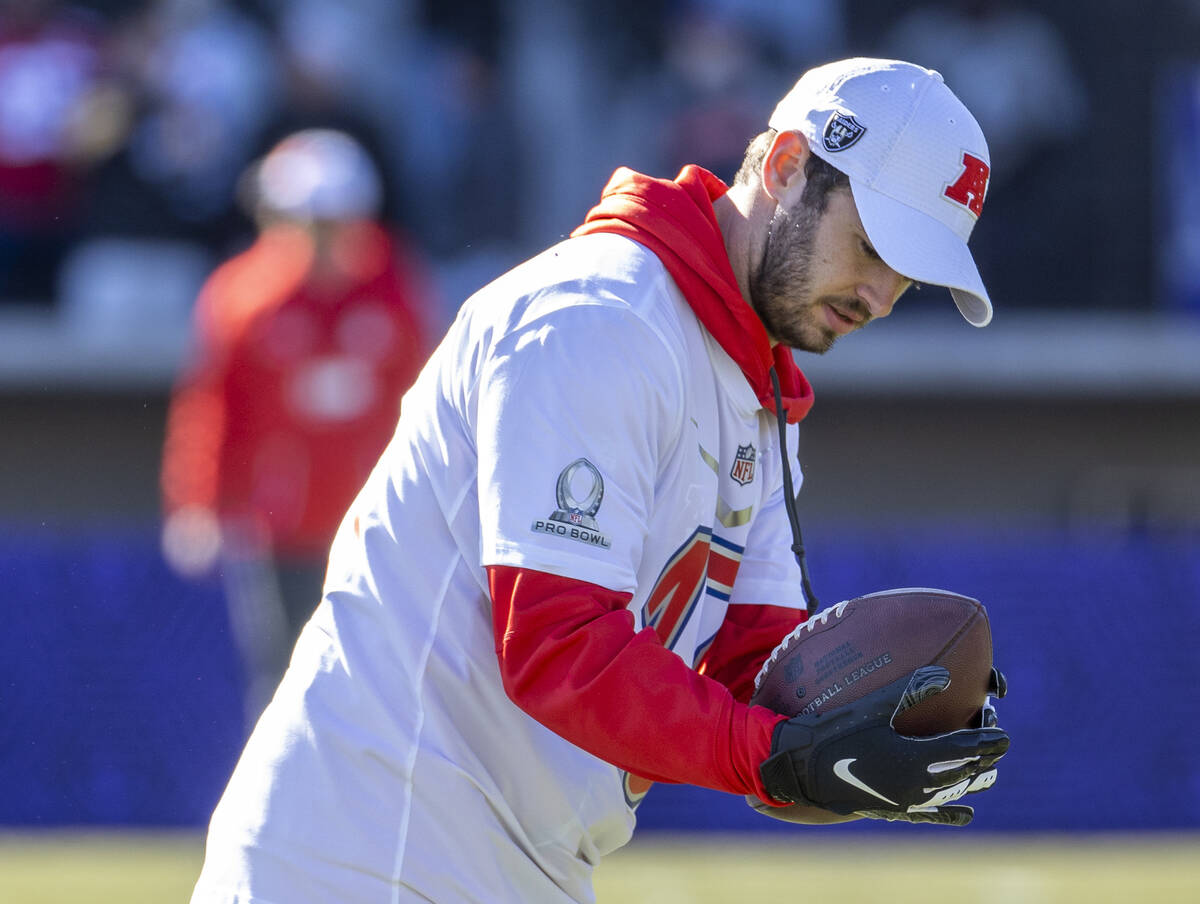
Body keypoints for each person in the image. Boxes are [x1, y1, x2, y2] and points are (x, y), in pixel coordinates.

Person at [190, 58, 1011, 903]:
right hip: (370, 849)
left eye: (913, 275)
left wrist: (875, 725)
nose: (881, 295)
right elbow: (558, 645)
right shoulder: (599, 318)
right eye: (873, 246)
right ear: (785, 165)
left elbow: (751, 677)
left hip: (502, 862)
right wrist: (784, 757)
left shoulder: (758, 388)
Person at [160, 129, 434, 720]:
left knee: (377, 675)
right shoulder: (243, 297)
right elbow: (212, 409)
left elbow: (429, 406)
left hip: (374, 524)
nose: (316, 244)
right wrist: (197, 502)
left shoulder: (396, 293)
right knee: (282, 677)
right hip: (276, 524)